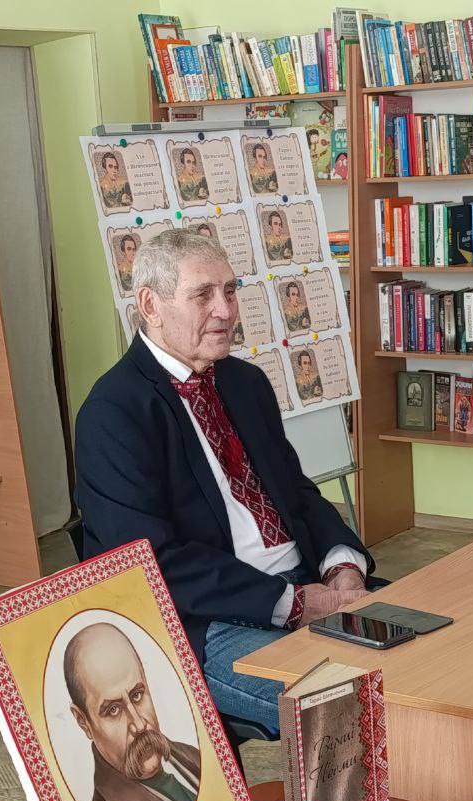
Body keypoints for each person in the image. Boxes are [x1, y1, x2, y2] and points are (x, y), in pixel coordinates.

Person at [75, 229, 375, 737]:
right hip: (207, 620)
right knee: (361, 705)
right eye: (203, 295)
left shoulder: (244, 382)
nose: (226, 310)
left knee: (438, 658)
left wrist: (341, 566)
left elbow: (296, 493)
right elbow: (149, 562)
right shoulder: (114, 412)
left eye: (230, 291)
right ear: (150, 305)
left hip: (307, 582)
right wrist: (293, 605)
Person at [63, 622, 201, 801]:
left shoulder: (192, 756)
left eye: (137, 695)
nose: (138, 724)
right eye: (113, 710)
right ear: (83, 722)